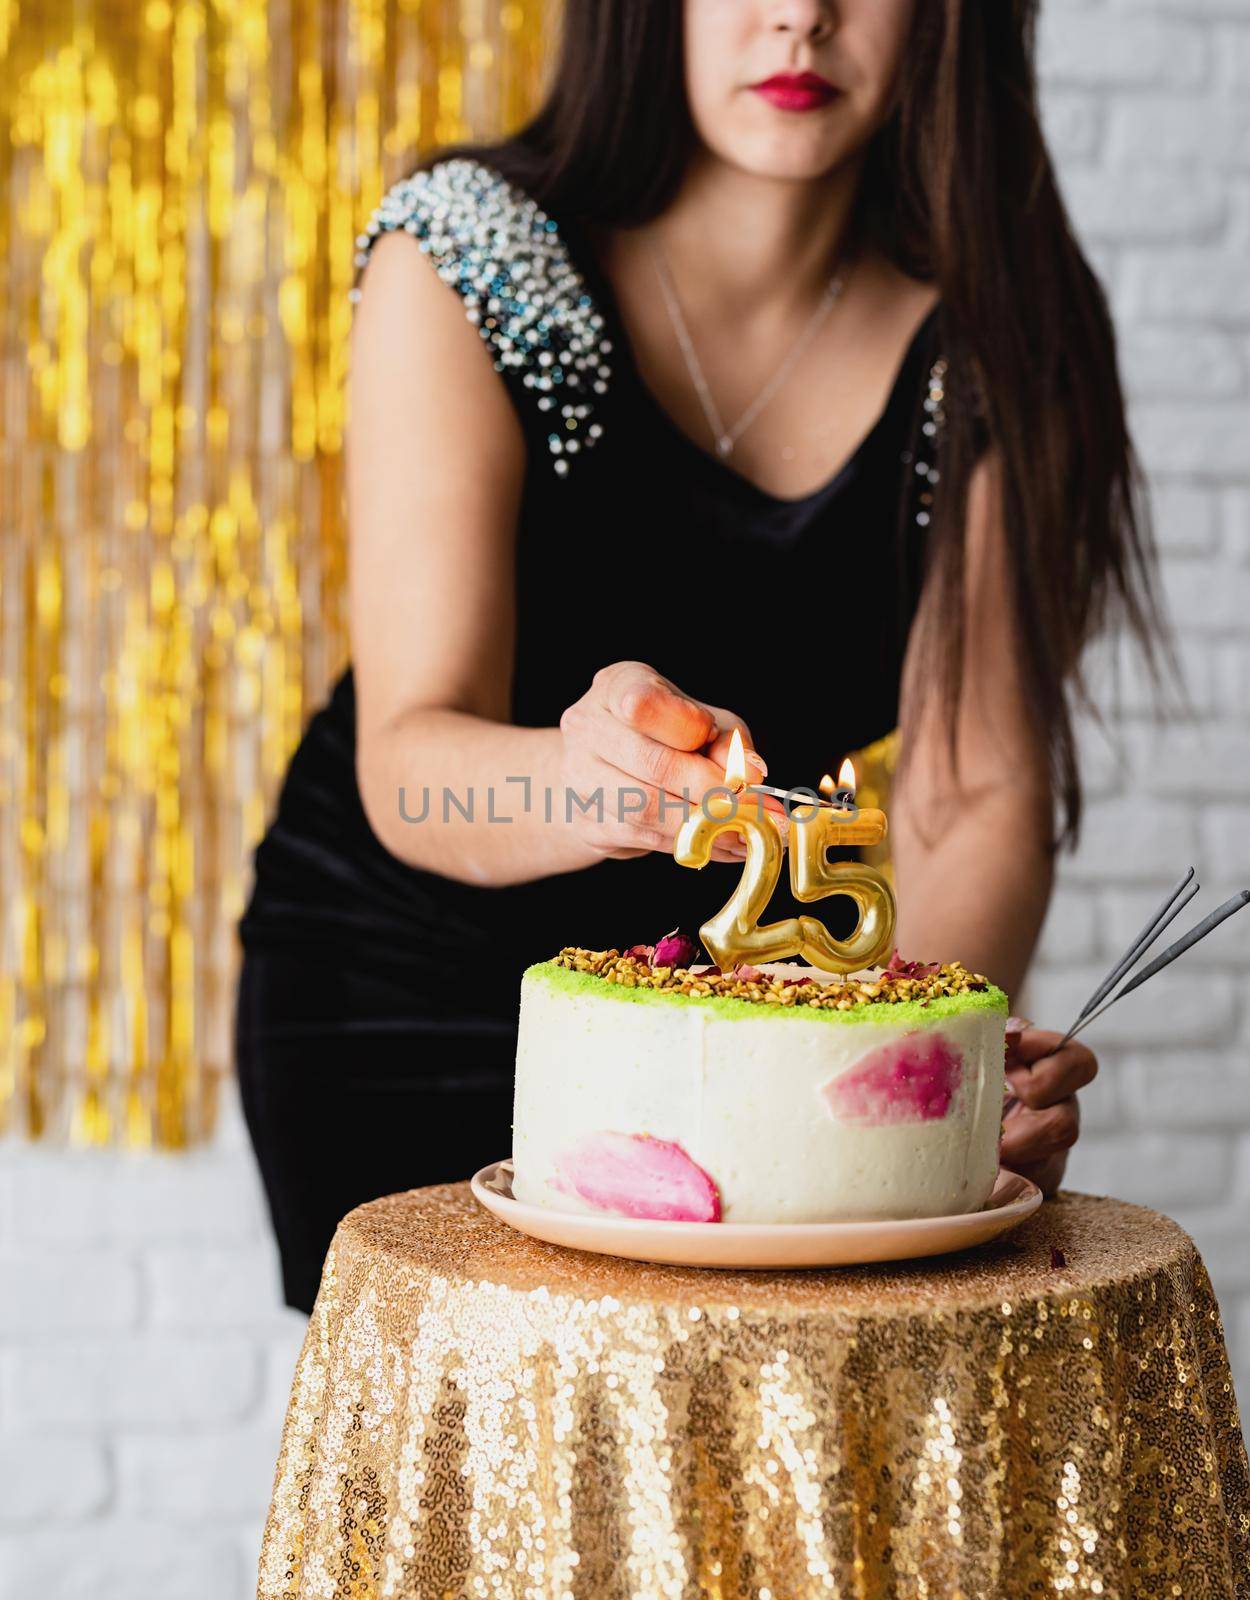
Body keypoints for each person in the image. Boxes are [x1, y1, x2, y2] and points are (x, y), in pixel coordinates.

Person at [236, 0, 1170, 1315]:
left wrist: (924, 1074)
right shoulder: (469, 251)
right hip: (403, 979)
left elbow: (976, 791)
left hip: (749, 1021)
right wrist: (592, 783)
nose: (800, 16)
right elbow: (411, 762)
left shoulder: (1004, 330)